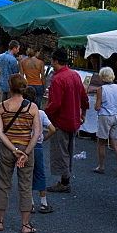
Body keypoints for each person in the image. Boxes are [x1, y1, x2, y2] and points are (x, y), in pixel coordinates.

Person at [0, 73, 42, 233]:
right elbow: (37, 133)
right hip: (26, 148)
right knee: (25, 186)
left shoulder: (2, 107)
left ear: (10, 87)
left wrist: (13, 149)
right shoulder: (32, 108)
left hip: (8, 149)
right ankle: (25, 225)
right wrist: (25, 153)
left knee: (3, 184)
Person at [44, 48, 88, 193]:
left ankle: (64, 181)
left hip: (61, 119)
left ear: (55, 61)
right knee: (68, 150)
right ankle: (65, 179)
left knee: (60, 151)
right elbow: (83, 96)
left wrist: (43, 114)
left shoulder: (58, 79)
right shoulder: (75, 75)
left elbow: (55, 103)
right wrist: (83, 113)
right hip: (73, 118)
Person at [24, 86, 55, 214]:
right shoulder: (41, 113)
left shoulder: (22, 112)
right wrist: (44, 138)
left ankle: (29, 203)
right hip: (38, 146)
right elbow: (53, 129)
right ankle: (43, 203)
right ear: (36, 98)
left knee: (27, 175)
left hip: (25, 146)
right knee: (40, 173)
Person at [91, 66, 117, 177]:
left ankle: (101, 166)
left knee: (101, 142)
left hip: (105, 116)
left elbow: (97, 107)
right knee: (115, 143)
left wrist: (95, 105)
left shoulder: (101, 89)